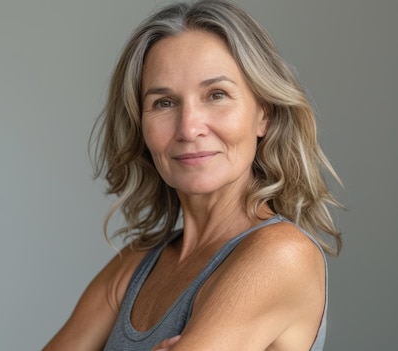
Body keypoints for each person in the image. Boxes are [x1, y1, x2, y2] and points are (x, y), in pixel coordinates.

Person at [44, 0, 342, 350]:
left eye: (216, 95)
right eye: (164, 102)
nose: (188, 128)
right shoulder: (136, 264)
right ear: (141, 124)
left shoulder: (282, 254)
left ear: (264, 115)